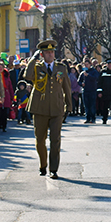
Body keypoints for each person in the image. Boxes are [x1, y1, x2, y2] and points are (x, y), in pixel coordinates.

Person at [24, 40, 72, 179]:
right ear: (42, 54)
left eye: (52, 52)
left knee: (55, 140)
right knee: (40, 140)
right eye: (47, 52)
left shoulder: (61, 68)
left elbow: (66, 88)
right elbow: (27, 76)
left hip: (57, 108)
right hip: (40, 108)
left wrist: (69, 106)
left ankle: (54, 169)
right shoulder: (36, 67)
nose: (50, 55)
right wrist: (33, 59)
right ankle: (43, 165)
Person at [78, 58, 99, 124]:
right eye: (85, 64)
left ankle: (93, 118)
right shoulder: (83, 72)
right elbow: (79, 81)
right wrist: (81, 84)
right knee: (86, 105)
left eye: (87, 64)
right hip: (85, 90)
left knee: (92, 105)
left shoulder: (93, 71)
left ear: (90, 64)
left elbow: (96, 78)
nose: (86, 66)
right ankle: (87, 118)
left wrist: (88, 76)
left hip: (92, 90)